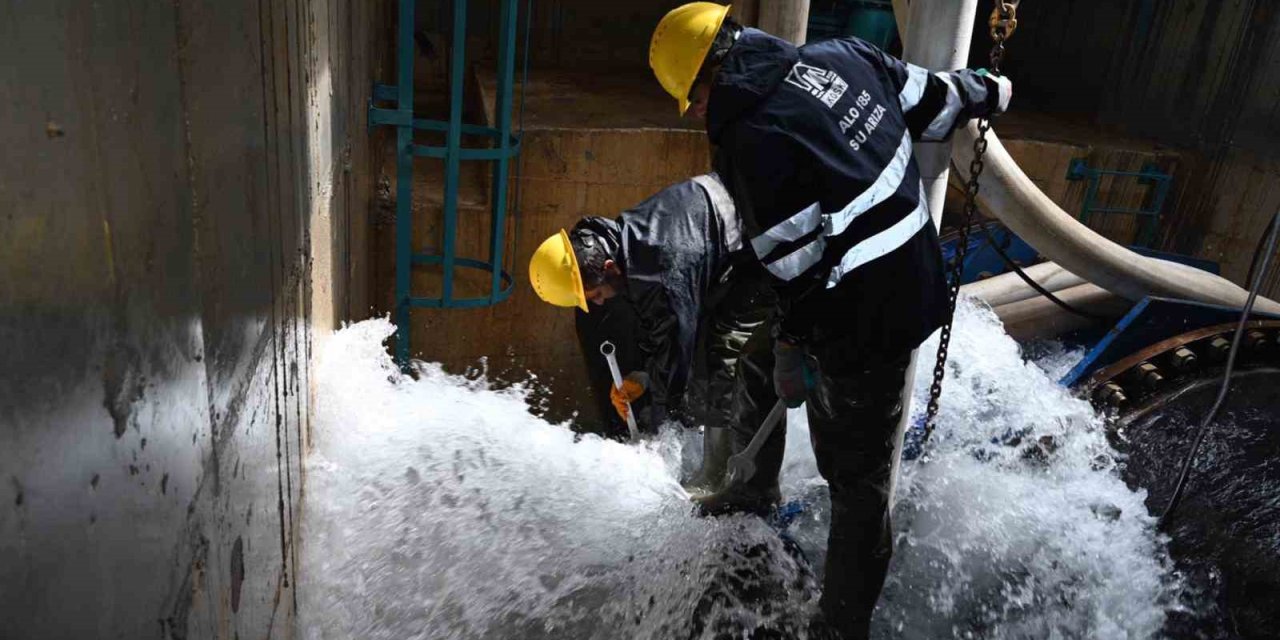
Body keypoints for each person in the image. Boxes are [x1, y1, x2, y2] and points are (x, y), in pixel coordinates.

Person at [649, 3, 1012, 637]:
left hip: (867, 321)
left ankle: (842, 625)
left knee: (856, 481)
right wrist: (990, 90)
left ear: (711, 80)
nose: (698, 113)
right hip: (910, 274)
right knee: (758, 354)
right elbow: (938, 101)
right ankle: (753, 489)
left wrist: (796, 345)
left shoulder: (750, 139)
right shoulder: (845, 57)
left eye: (695, 100)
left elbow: (796, 269)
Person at [528, 174, 773, 494]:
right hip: (725, 231)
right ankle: (719, 462)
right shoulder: (627, 239)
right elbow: (661, 330)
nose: (598, 302)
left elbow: (676, 361)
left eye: (596, 294)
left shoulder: (662, 271)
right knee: (700, 351)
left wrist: (656, 441)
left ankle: (728, 480)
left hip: (765, 242)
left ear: (609, 267)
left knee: (724, 353)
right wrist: (642, 377)